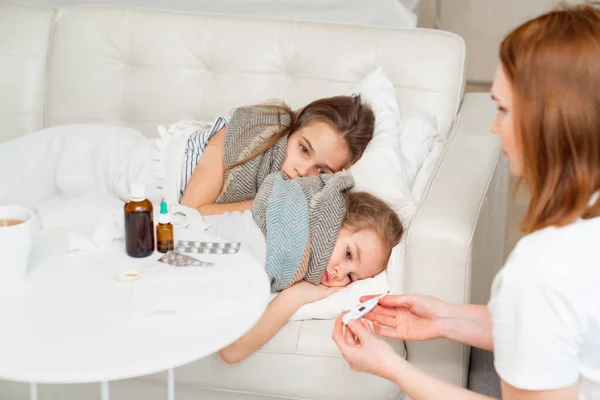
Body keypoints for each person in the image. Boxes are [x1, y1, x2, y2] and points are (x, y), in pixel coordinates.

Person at [332, 4, 600, 400]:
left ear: (550, 123)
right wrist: (447, 319)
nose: (494, 126)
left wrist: (392, 369)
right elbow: (564, 328)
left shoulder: (540, 268)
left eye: (504, 110)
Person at [219, 191, 404, 364]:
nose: (339, 273)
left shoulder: (292, 271)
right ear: (333, 221)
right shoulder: (279, 238)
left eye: (351, 277)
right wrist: (296, 295)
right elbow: (232, 349)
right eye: (348, 253)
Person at [180, 95, 375, 215]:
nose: (302, 170)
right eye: (304, 149)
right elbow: (189, 211)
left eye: (321, 169)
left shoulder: (304, 196)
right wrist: (262, 203)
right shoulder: (250, 133)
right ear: (294, 128)